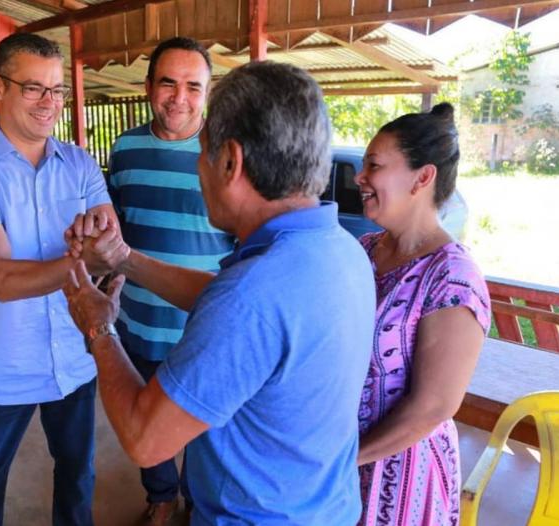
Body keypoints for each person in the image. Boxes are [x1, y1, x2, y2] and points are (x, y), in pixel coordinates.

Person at [63, 61, 375, 525]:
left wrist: (99, 327)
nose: (199, 168)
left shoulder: (251, 297)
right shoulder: (340, 250)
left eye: (202, 154)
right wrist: (125, 258)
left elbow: (143, 438)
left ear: (230, 161)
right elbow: (230, 298)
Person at [0, 33, 117, 526]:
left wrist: (96, 254)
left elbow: (108, 241)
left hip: (74, 359)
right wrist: (87, 261)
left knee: (78, 477)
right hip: (2, 367)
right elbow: (1, 278)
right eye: (34, 88)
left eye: (56, 90)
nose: (49, 103)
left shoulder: (79, 163)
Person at [106, 36, 234, 525]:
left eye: (193, 86)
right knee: (146, 423)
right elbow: (118, 229)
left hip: (206, 329)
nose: (179, 97)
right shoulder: (125, 149)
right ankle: (161, 498)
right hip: (138, 320)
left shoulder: (228, 153)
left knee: (207, 432)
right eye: (168, 83)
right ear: (147, 87)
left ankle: (200, 505)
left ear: (208, 92)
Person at [353, 103, 491, 526]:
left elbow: (432, 407)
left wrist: (343, 459)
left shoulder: (452, 278)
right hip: (339, 466)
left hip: (401, 484)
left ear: (423, 177)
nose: (360, 177)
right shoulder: (364, 251)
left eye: (373, 165)